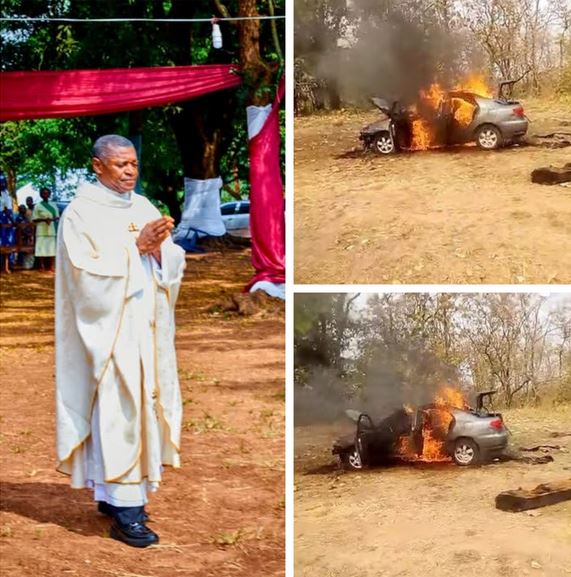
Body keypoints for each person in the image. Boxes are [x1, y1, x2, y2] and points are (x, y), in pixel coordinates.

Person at [55, 134, 186, 548]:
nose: (130, 171)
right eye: (120, 165)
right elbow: (83, 276)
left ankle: (114, 497)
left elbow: (169, 258)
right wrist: (136, 248)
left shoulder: (144, 205)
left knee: (141, 410)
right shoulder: (79, 214)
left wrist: (165, 250)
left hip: (146, 330)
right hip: (110, 332)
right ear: (97, 166)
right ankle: (127, 510)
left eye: (133, 164)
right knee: (119, 413)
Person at [32, 187, 59, 272]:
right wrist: (44, 220)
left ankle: (51, 266)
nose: (45, 194)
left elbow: (57, 217)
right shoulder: (37, 206)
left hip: (51, 229)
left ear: (49, 194)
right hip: (41, 229)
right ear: (40, 194)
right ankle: (42, 266)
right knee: (41, 248)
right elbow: (34, 219)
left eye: (47, 193)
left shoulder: (53, 205)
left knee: (51, 248)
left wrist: (51, 220)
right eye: (43, 193)